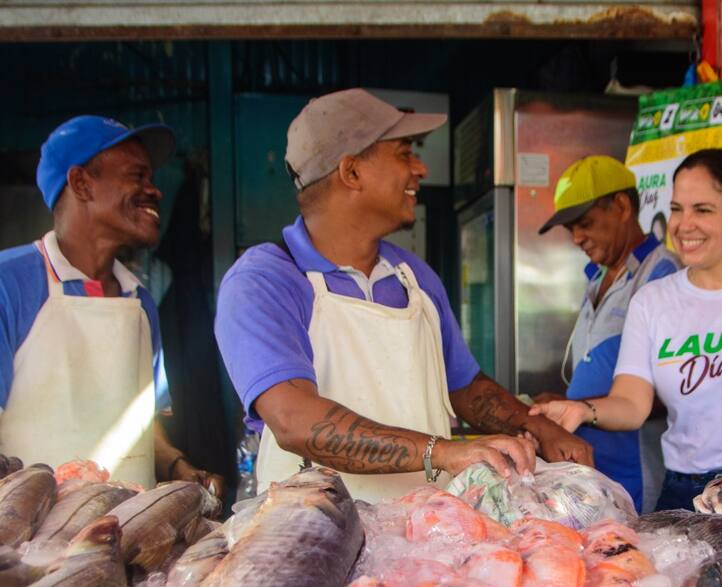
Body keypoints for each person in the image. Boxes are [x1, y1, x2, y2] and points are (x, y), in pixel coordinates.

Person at [215, 88, 591, 502]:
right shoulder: (265, 280)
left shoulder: (415, 278)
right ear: (351, 172)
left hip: (424, 536)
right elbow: (293, 419)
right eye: (404, 153)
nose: (421, 168)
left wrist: (539, 427)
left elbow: (465, 386)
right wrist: (442, 452)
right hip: (313, 534)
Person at [531, 148, 722, 512]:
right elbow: (631, 403)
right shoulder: (652, 301)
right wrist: (582, 410)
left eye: (703, 209)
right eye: (677, 209)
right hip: (686, 491)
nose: (683, 224)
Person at [0, 115, 221, 493]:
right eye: (137, 176)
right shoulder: (11, 283)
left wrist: (176, 464)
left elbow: (141, 420)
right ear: (81, 184)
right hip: (27, 543)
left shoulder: (139, 301)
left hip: (124, 537)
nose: (154, 191)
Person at [536, 155, 680, 511]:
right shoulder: (597, 278)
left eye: (585, 223)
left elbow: (676, 388)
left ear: (621, 206)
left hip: (639, 474)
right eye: (570, 229)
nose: (577, 238)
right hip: (593, 472)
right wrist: (564, 403)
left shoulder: (661, 275)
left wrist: (584, 408)